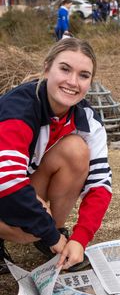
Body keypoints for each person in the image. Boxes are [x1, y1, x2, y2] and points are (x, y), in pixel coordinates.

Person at [0, 38, 112, 274]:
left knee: (76, 150)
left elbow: (100, 185)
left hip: (16, 184)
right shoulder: (19, 107)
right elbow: (8, 180)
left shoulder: (88, 119)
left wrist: (80, 239)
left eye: (83, 75)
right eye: (64, 69)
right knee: (29, 226)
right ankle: (47, 236)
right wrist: (48, 231)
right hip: (4, 184)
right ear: (46, 68)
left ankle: (50, 236)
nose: (72, 82)